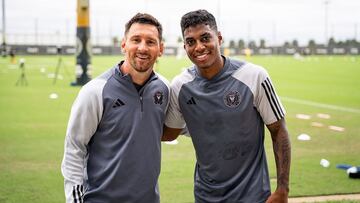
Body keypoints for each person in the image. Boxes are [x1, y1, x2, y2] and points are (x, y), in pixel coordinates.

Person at [163, 9, 291, 203]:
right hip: (206, 196)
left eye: (205, 38)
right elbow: (169, 132)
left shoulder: (254, 76)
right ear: (185, 46)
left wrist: (282, 189)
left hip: (253, 196)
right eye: (191, 41)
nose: (198, 47)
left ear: (219, 38)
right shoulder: (180, 86)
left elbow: (279, 130)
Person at [61, 13, 169, 203]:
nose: (142, 47)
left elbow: (185, 125)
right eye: (136, 40)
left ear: (160, 49)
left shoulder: (165, 89)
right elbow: (74, 149)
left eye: (150, 42)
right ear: (123, 44)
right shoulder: (95, 91)